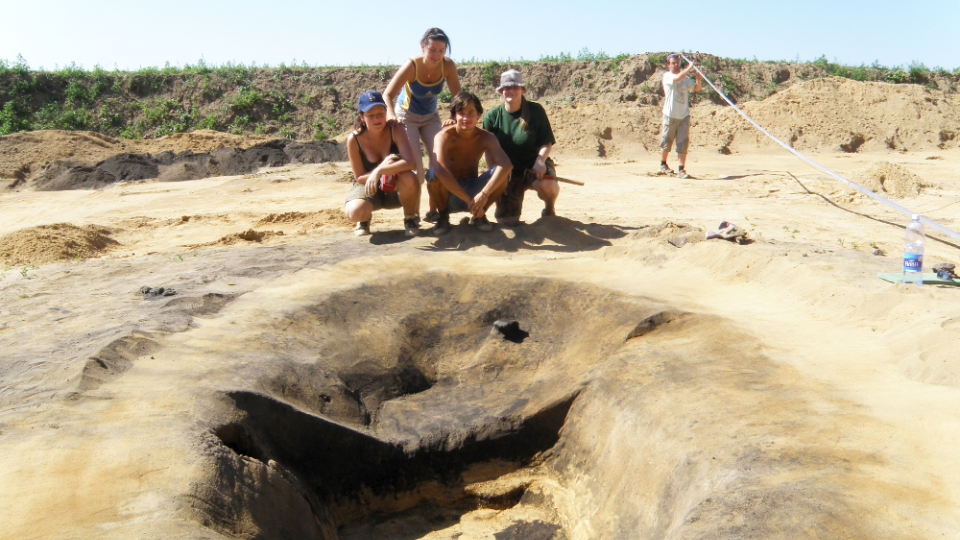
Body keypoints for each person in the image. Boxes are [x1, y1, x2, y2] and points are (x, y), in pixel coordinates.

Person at [384, 28, 462, 222]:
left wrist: (454, 116)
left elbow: (458, 98)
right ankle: (413, 215)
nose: (436, 55)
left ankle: (434, 210)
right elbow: (387, 95)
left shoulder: (448, 66)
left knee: (439, 164)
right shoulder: (412, 65)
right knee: (416, 168)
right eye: (432, 50)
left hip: (430, 116)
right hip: (406, 116)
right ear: (423, 47)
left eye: (441, 51)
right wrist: (391, 114)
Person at [427, 92, 512, 236]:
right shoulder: (443, 137)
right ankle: (443, 217)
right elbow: (440, 171)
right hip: (449, 196)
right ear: (454, 116)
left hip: (475, 190)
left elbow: (506, 164)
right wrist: (469, 200)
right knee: (432, 173)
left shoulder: (486, 137)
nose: (466, 118)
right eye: (461, 113)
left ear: (478, 114)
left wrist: (484, 194)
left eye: (471, 113)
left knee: (504, 173)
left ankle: (479, 214)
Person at [482, 69, 558, 226]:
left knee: (547, 185)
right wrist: (495, 175)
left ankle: (549, 208)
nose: (511, 91)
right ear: (501, 91)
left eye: (515, 87)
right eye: (507, 88)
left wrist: (540, 161)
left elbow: (546, 143)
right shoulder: (492, 116)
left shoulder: (535, 111)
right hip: (506, 171)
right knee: (507, 221)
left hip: (533, 167)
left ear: (522, 90)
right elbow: (487, 150)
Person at [344, 90, 421, 237]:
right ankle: (364, 220)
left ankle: (410, 218)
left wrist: (379, 171)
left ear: (386, 111)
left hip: (394, 187)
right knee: (354, 212)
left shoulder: (396, 129)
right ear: (362, 116)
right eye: (371, 115)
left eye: (380, 113)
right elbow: (359, 177)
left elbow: (411, 163)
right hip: (368, 186)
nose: (377, 119)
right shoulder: (354, 139)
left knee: (409, 177)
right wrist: (378, 171)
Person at [660, 53, 702, 179]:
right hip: (670, 115)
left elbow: (696, 89)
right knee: (666, 141)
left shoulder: (685, 77)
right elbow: (677, 78)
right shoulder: (667, 76)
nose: (676, 65)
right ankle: (663, 164)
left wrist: (698, 79)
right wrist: (689, 67)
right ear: (668, 65)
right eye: (673, 63)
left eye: (677, 62)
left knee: (682, 143)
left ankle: (681, 169)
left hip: (683, 116)